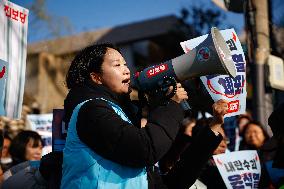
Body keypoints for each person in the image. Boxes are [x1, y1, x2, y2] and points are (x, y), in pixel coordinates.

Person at [60, 43, 228, 189]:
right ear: (96, 77)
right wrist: (171, 105)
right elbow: (144, 149)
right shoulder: (90, 110)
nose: (126, 70)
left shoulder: (121, 115)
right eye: (117, 65)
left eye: (125, 64)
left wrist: (213, 127)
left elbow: (171, 184)